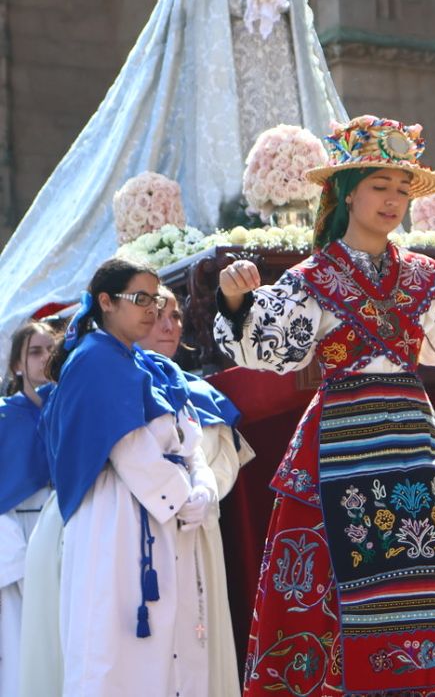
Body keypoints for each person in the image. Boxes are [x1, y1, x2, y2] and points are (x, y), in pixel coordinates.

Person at [214, 115, 435, 697]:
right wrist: (238, 302)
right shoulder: (311, 278)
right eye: (380, 186)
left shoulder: (423, 275)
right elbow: (270, 348)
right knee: (334, 595)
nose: (393, 200)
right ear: (346, 192)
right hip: (339, 448)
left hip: (415, 448)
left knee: (430, 587)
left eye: (401, 188)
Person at [0, 0, 344, 328]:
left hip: (273, 58)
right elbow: (205, 13)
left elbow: (296, 10)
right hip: (229, 64)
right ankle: (243, 204)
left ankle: (295, 200)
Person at [39, 258, 215, 697]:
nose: (153, 310)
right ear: (106, 302)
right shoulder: (97, 358)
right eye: (140, 299)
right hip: (118, 519)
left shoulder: (141, 362)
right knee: (115, 650)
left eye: (155, 299)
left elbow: (185, 436)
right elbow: (128, 447)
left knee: (166, 648)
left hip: (160, 513)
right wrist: (183, 497)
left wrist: (203, 486)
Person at [144, 286, 254, 697]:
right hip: (148, 535)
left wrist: (204, 490)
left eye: (175, 316)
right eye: (158, 315)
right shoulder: (120, 386)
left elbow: (224, 460)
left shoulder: (204, 394)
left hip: (200, 532)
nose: (170, 325)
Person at [0, 314, 57, 695]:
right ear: (18, 364)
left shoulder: (70, 408)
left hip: (64, 534)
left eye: (51, 350)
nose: (44, 359)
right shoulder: (3, 416)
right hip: (15, 536)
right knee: (21, 642)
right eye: (35, 352)